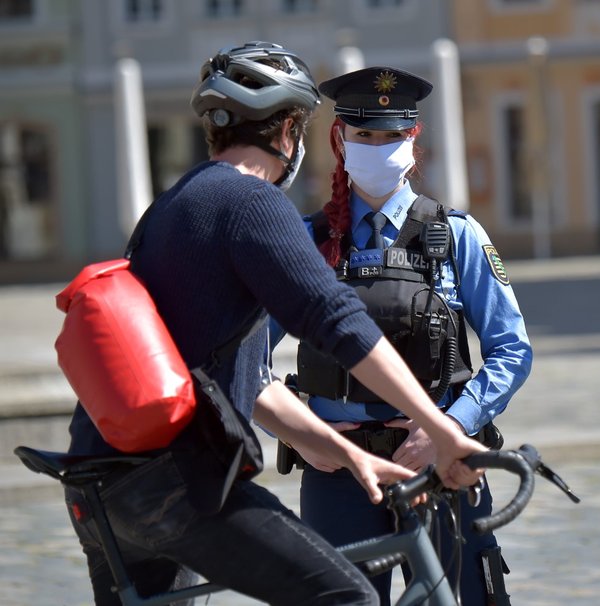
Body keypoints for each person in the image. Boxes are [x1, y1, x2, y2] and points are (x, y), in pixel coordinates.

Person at [63, 41, 485, 605]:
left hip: (105, 488)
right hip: (179, 488)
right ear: (288, 130)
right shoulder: (250, 203)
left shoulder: (174, 207)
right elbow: (337, 320)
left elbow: (250, 382)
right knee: (347, 597)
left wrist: (351, 453)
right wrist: (439, 428)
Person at [272, 66, 532, 606]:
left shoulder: (456, 235)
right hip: (338, 469)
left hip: (439, 465)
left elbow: (512, 350)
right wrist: (300, 433)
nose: (379, 147)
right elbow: (247, 351)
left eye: (392, 135)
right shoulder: (305, 241)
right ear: (340, 138)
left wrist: (449, 426)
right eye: (365, 135)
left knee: (464, 597)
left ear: (413, 139)